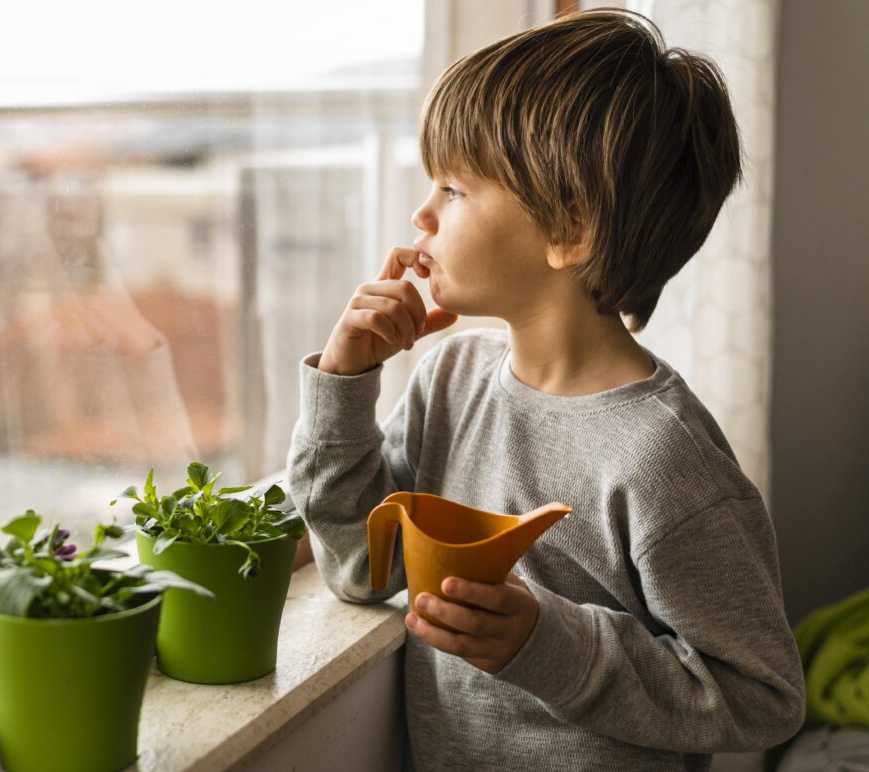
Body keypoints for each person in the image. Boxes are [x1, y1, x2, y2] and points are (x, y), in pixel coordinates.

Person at [286, 9, 805, 771]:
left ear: (570, 227)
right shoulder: (450, 381)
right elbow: (363, 568)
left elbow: (764, 696)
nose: (421, 215)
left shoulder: (664, 459)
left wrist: (550, 645)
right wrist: (343, 385)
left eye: (454, 190)